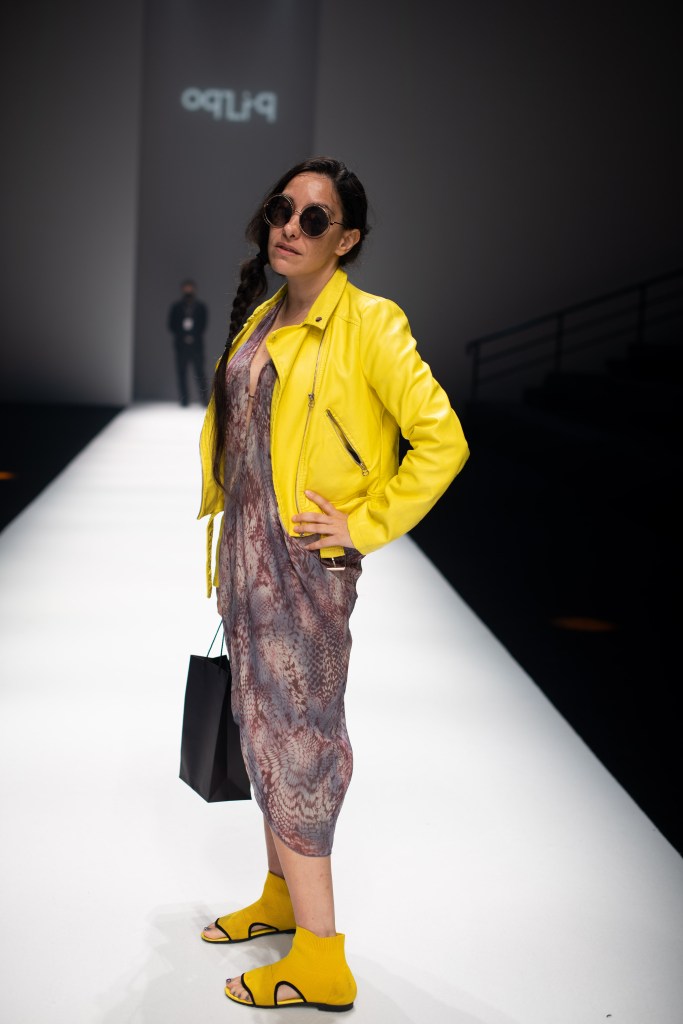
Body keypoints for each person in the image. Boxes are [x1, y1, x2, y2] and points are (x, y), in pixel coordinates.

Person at [196, 156, 469, 1011]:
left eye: (314, 219)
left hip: (304, 570)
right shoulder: (266, 315)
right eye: (284, 209)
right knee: (261, 730)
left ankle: (320, 957)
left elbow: (443, 440)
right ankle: (280, 898)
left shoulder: (370, 324)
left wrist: (367, 521)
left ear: (345, 240)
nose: (291, 227)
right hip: (248, 559)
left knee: (301, 745)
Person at [167, 278, 209, 405]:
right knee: (181, 372)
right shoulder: (176, 307)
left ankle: (204, 399)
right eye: (186, 288)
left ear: (194, 289)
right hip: (181, 344)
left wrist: (192, 335)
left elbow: (203, 325)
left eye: (190, 288)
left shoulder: (201, 307)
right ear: (182, 289)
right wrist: (184, 336)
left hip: (196, 344)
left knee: (200, 372)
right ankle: (184, 400)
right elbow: (171, 325)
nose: (188, 290)